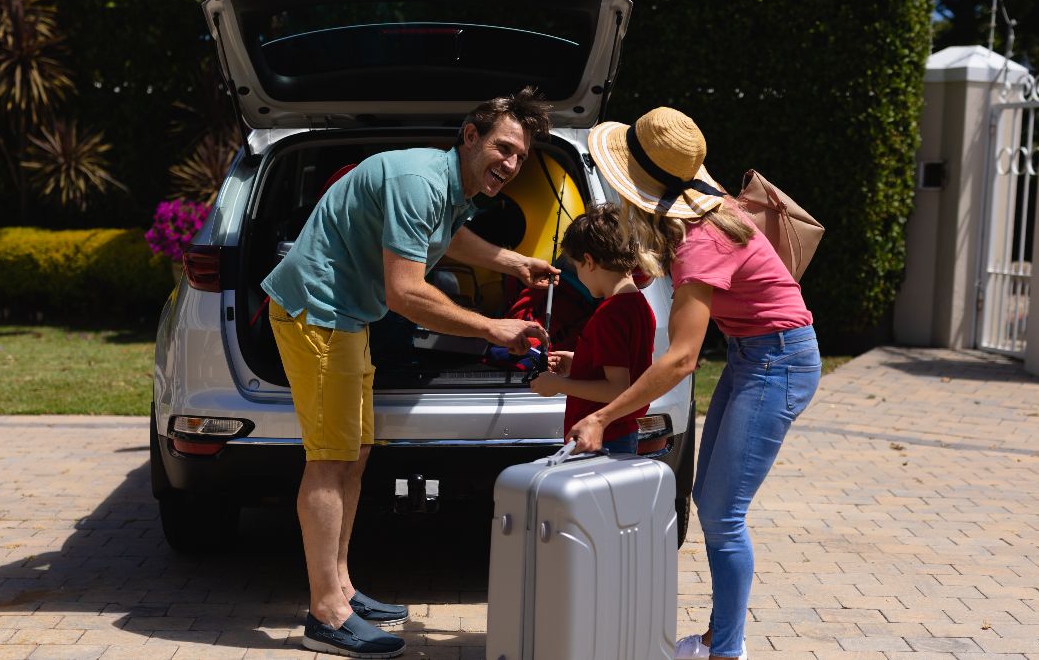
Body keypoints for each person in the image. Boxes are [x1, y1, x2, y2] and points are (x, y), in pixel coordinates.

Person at [262, 88, 557, 658]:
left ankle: (342, 588)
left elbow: (444, 236)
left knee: (357, 452)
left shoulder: (449, 187)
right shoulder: (418, 182)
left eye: (520, 156)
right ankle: (325, 614)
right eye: (503, 148)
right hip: (318, 312)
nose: (511, 164)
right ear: (470, 136)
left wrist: (513, 262)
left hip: (347, 317)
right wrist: (493, 329)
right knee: (329, 459)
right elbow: (405, 293)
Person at [571, 106, 822, 660]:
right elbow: (652, 278)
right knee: (710, 502)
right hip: (756, 356)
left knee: (723, 515)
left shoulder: (701, 241)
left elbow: (683, 360)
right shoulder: (698, 222)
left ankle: (726, 651)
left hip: (779, 362)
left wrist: (603, 414)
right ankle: (718, 638)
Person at [528, 205, 656, 455]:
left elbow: (618, 389)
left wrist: (558, 385)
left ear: (589, 261)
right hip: (622, 431)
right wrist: (579, 362)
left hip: (602, 437)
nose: (578, 276)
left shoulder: (610, 315)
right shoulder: (640, 305)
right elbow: (626, 366)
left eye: (576, 267)